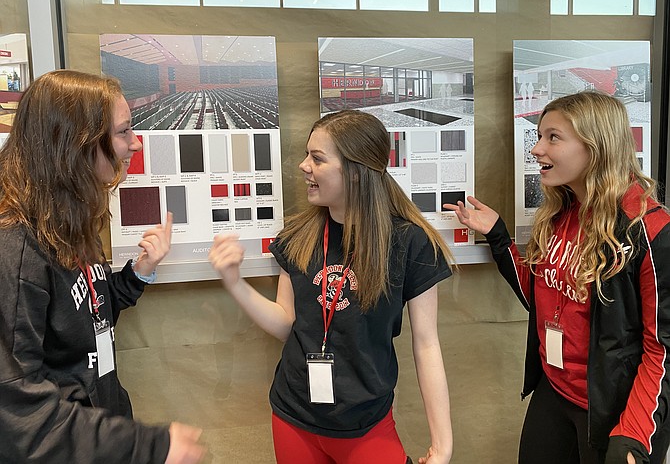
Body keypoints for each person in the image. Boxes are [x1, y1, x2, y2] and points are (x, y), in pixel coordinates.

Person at [209, 109, 453, 463]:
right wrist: (234, 282)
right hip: (295, 417)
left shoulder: (410, 243)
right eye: (308, 155)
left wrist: (442, 443)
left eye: (317, 158)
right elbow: (285, 322)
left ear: (355, 172)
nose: (303, 166)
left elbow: (427, 344)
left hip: (366, 424)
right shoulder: (297, 237)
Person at [444, 90, 670, 464]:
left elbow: (661, 349)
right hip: (554, 393)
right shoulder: (562, 213)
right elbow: (539, 296)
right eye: (539, 137)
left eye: (553, 137)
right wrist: (499, 236)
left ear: (594, 146)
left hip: (612, 411)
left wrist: (633, 435)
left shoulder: (649, 228)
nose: (537, 150)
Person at [0, 70, 205, 463]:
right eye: (124, 132)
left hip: (94, 433)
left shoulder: (66, 219)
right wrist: (146, 446)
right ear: (72, 144)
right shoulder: (14, 246)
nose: (136, 144)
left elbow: (85, 312)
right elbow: (16, 410)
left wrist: (137, 274)